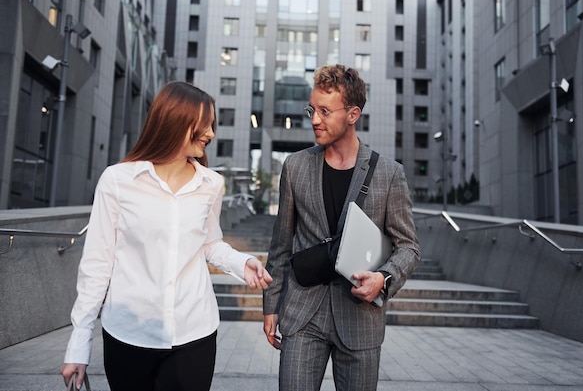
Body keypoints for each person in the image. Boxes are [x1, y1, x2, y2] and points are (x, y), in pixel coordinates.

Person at [61, 81, 273, 391]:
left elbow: (210, 243)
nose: (211, 134)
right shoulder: (118, 181)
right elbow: (97, 264)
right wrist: (78, 345)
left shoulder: (211, 184)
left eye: (212, 125)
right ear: (175, 120)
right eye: (205, 124)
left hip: (195, 331)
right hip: (129, 333)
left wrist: (242, 263)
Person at [262, 64, 421, 391]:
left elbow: (409, 246)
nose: (314, 119)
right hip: (302, 314)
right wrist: (271, 306)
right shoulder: (295, 167)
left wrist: (384, 279)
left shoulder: (388, 173)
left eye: (324, 111)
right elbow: (281, 245)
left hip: (360, 319)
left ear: (353, 114)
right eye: (311, 109)